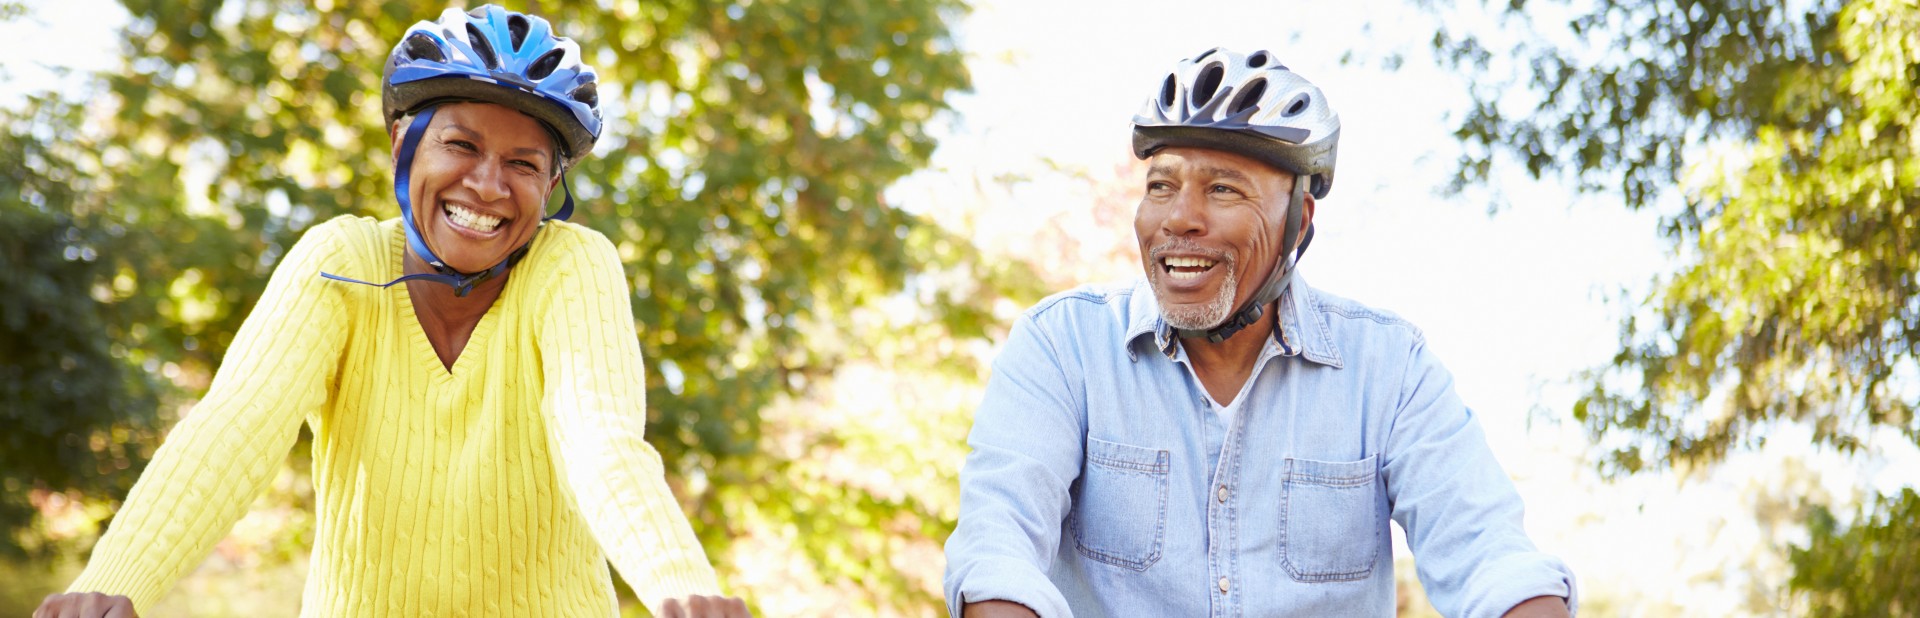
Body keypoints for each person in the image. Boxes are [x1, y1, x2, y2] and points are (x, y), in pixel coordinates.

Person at [36, 6, 748, 617]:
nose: (488, 185)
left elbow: (600, 440)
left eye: (524, 164)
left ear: (553, 184)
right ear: (403, 146)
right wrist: (113, 585)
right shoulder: (339, 260)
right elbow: (238, 424)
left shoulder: (572, 266)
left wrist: (675, 582)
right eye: (461, 145)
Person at [942, 48, 1578, 617]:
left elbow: (1489, 555)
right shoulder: (1062, 346)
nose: (1180, 218)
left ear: (1299, 222)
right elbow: (998, 550)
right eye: (1161, 186)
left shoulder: (1391, 367)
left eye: (1223, 190)